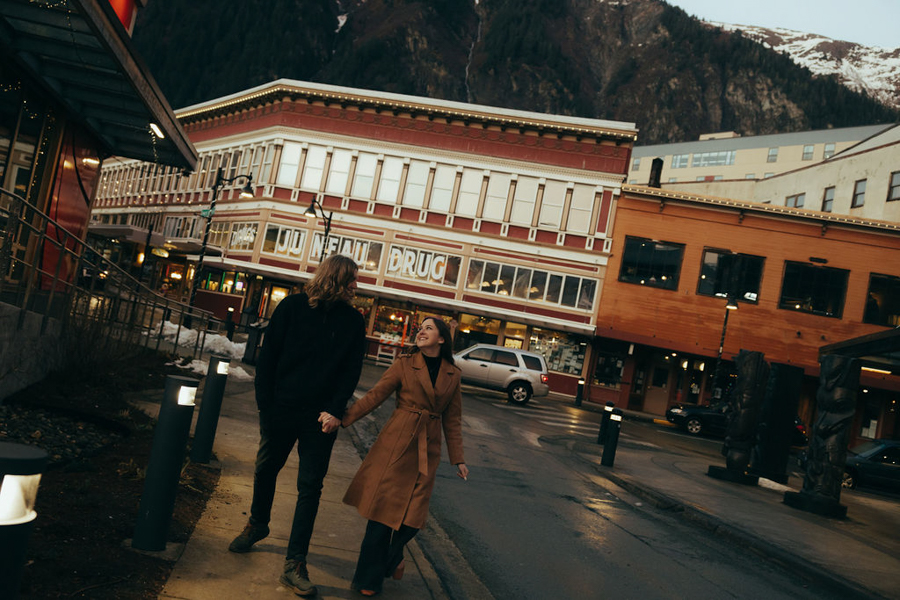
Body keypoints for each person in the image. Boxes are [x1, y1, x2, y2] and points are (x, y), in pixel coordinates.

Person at [228, 254, 366, 598]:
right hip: (281, 409)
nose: (356, 285)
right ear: (336, 278)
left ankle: (295, 564)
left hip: (321, 419)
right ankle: (257, 523)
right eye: (352, 279)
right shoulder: (291, 308)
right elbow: (269, 357)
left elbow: (350, 371)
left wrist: (335, 410)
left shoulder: (353, 321)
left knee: (310, 488)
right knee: (266, 468)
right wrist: (265, 406)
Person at [341, 317, 469, 596]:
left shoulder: (453, 374)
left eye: (428, 328)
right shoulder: (404, 363)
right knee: (381, 514)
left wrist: (458, 457)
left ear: (442, 339)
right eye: (420, 328)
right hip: (397, 444)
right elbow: (374, 396)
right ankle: (368, 580)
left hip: (429, 448)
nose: (421, 331)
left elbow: (453, 418)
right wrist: (342, 419)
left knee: (412, 520)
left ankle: (393, 558)